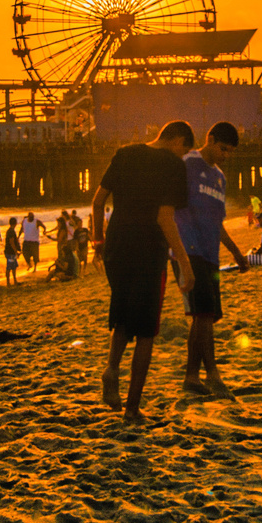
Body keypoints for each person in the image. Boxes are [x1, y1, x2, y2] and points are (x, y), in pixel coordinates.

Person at [91, 119, 196, 424]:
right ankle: (132, 409)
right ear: (178, 140)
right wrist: (184, 264)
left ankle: (111, 369)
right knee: (147, 329)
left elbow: (98, 201)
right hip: (148, 249)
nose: (183, 157)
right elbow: (166, 218)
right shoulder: (173, 166)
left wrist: (98, 240)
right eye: (184, 150)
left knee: (124, 312)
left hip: (116, 246)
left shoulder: (125, 152)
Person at [177, 122, 248, 400]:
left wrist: (236, 252)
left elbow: (218, 223)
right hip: (187, 250)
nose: (225, 156)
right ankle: (213, 375)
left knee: (205, 315)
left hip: (210, 255)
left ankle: (192, 377)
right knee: (204, 313)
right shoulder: (186, 165)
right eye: (223, 149)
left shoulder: (220, 177)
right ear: (210, 139)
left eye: (230, 153)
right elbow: (168, 207)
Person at [3, 217, 21, 285]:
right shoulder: (11, 231)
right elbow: (12, 242)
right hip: (10, 252)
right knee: (10, 267)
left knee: (13, 266)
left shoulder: (10, 230)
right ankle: (9, 282)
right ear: (15, 223)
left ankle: (14, 281)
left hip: (9, 251)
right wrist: (16, 251)